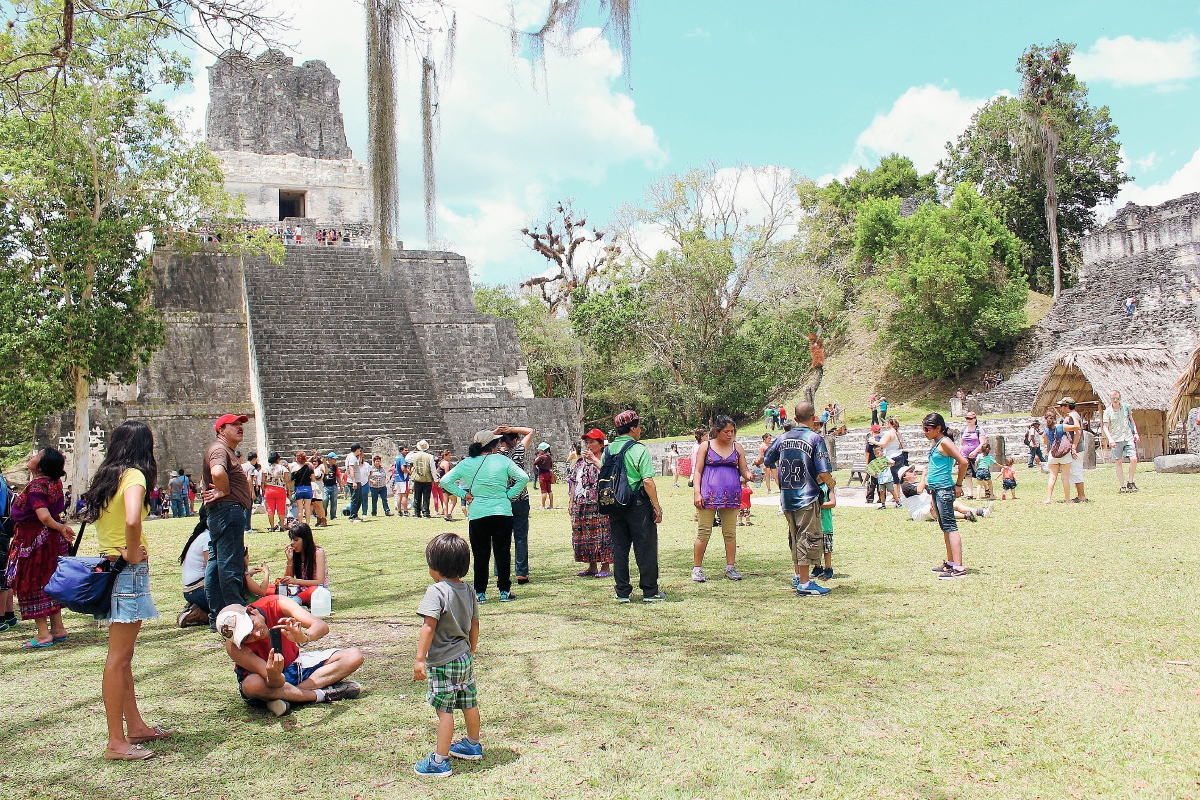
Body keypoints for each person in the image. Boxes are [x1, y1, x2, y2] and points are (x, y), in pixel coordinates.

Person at [81, 419, 171, 761]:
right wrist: (133, 552)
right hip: (127, 572)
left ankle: (134, 727)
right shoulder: (134, 476)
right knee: (118, 659)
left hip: (112, 568)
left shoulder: (108, 477)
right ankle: (116, 742)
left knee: (124, 657)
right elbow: (133, 520)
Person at [216, 595, 364, 718]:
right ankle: (321, 695)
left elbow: (321, 626)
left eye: (252, 626)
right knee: (251, 685)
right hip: (267, 681)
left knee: (353, 656)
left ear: (251, 611)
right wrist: (274, 675)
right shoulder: (234, 647)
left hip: (295, 665)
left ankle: (284, 698)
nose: (256, 634)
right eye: (247, 637)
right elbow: (274, 682)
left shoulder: (276, 603)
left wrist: (303, 637)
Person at [413, 533, 482, 777]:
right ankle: (473, 745)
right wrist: (471, 648)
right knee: (469, 702)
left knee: (445, 710)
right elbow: (474, 623)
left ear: (435, 566)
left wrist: (420, 658)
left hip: (442, 662)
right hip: (464, 658)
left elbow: (428, 626)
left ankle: (439, 761)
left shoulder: (436, 591)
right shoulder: (468, 589)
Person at [439, 430, 530, 603]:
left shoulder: (467, 463)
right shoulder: (503, 460)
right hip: (502, 511)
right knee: (502, 553)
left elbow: (444, 481)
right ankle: (504, 591)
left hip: (478, 513)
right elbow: (523, 478)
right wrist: (509, 495)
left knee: (480, 554)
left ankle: (480, 593)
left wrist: (463, 494)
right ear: (493, 445)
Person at [763, 402, 835, 597]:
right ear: (813, 418)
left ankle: (798, 576)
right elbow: (824, 470)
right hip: (807, 496)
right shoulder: (815, 438)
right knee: (807, 536)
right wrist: (831, 484)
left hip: (787, 497)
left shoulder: (783, 437)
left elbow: (768, 459)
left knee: (794, 537)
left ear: (795, 418)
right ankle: (805, 583)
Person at [4, 447, 72, 648]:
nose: (31, 457)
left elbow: (43, 516)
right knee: (51, 581)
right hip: (51, 540)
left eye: (36, 456)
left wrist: (60, 527)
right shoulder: (55, 483)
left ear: (41, 465)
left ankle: (43, 634)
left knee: (32, 583)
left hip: (34, 541)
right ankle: (58, 628)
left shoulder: (36, 487)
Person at [603, 411, 665, 603]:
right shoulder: (639, 449)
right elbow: (647, 481)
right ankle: (649, 591)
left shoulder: (608, 450)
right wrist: (657, 506)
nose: (640, 430)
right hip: (638, 503)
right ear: (632, 428)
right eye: (638, 426)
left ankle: (622, 592)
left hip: (614, 504)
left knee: (619, 549)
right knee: (645, 547)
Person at [202, 413, 255, 628]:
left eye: (241, 424)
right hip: (227, 511)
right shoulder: (219, 449)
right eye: (233, 424)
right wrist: (224, 490)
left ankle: (218, 615)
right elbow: (216, 472)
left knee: (216, 564)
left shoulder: (225, 450)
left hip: (223, 511)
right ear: (221, 430)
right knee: (230, 564)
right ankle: (236, 612)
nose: (239, 427)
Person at [691, 415, 753, 583]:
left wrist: (750, 475)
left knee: (730, 533)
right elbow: (697, 471)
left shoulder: (737, 448)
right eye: (726, 431)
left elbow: (744, 470)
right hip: (708, 496)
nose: (730, 434)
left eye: (732, 431)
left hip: (731, 497)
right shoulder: (706, 446)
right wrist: (697, 493)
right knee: (704, 532)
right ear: (717, 431)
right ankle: (697, 569)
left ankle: (730, 567)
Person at [918, 413, 970, 579]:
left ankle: (959, 568)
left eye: (927, 429)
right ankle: (951, 563)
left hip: (944, 490)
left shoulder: (945, 442)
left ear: (938, 428)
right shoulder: (937, 443)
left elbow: (963, 462)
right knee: (945, 527)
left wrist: (959, 484)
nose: (925, 432)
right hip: (936, 490)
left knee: (951, 527)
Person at [570, 429, 612, 578]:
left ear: (601, 444)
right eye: (586, 442)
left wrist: (594, 459)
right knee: (586, 535)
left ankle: (605, 567)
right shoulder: (580, 462)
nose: (588, 445)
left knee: (602, 534)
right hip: (581, 503)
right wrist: (571, 501)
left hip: (600, 503)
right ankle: (592, 566)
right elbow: (574, 481)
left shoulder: (606, 459)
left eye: (592, 442)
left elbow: (608, 474)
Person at [495, 425, 534, 584]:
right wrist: (510, 428)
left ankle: (499, 573)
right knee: (520, 538)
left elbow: (478, 440)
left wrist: (496, 433)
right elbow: (531, 431)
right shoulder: (518, 450)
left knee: (500, 539)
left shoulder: (495, 454)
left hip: (502, 500)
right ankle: (521, 573)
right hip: (520, 499)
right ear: (515, 440)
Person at [277, 523, 327, 605]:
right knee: (276, 587)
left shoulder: (318, 553)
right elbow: (288, 579)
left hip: (317, 591)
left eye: (296, 540)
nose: (292, 543)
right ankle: (293, 601)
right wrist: (290, 560)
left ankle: (292, 602)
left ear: (305, 539)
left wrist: (296, 581)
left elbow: (320, 582)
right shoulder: (295, 554)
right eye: (291, 540)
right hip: (301, 591)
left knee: (315, 589)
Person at [1103, 389, 1141, 493]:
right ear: (1110, 399)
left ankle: (1131, 481)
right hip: (1116, 438)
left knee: (1134, 459)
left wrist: (1135, 433)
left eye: (1117, 398)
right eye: (1113, 398)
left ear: (1120, 398)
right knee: (1118, 462)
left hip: (1127, 436)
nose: (1115, 400)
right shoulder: (1107, 412)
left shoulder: (1126, 408)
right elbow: (1105, 427)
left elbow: (1131, 421)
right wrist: (1110, 439)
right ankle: (1122, 485)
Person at [1059, 397, 1088, 503]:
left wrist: (1074, 447)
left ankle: (1081, 496)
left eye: (1062, 406)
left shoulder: (1072, 416)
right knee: (1074, 470)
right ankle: (1080, 495)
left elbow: (1077, 432)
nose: (1061, 408)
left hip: (1076, 447)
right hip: (1075, 447)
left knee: (1076, 471)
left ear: (1067, 406)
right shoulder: (1073, 416)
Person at [1043, 408, 1073, 504]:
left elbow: (1045, 442)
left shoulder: (1046, 430)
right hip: (1064, 453)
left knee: (1052, 477)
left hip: (1053, 454)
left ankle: (1048, 498)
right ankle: (1067, 498)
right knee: (1065, 478)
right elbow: (1075, 427)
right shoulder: (1061, 427)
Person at [959, 412, 987, 499]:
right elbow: (961, 444)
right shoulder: (963, 430)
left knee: (980, 474)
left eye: (970, 419)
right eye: (967, 418)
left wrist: (975, 452)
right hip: (965, 455)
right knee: (967, 475)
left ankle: (987, 489)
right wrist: (959, 455)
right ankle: (969, 494)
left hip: (977, 456)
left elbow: (982, 443)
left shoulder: (979, 430)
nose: (968, 420)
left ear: (975, 419)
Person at [409, 440, 439, 519]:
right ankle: (426, 512)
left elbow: (407, 458)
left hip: (417, 479)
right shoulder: (430, 457)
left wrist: (414, 450)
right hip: (427, 479)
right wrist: (435, 480)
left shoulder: (414, 456)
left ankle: (417, 512)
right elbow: (433, 469)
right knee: (426, 497)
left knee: (417, 497)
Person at [262, 453, 292, 532]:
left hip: (269, 489)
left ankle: (272, 526)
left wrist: (263, 490)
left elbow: (263, 481)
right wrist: (289, 491)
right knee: (281, 508)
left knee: (270, 509)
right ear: (278, 459)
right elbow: (287, 481)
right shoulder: (283, 468)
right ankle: (282, 526)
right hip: (280, 490)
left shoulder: (266, 469)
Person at [814, 481, 836, 581]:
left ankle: (828, 568)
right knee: (815, 547)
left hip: (825, 524)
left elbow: (832, 503)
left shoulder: (828, 486)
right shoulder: (811, 484)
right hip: (814, 524)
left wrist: (818, 505)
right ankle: (817, 567)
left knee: (827, 548)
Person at [345, 443, 368, 522]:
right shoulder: (352, 457)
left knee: (359, 499)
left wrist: (360, 457)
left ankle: (355, 514)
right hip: (353, 481)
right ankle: (352, 516)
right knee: (355, 499)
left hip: (357, 480)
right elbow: (351, 469)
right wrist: (354, 481)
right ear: (357, 449)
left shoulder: (354, 457)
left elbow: (357, 465)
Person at [291, 452, 314, 525]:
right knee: (307, 508)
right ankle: (307, 524)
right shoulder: (309, 468)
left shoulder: (294, 469)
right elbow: (313, 479)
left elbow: (291, 479)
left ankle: (300, 523)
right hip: (307, 488)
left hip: (298, 489)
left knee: (300, 508)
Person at [241, 452, 261, 532]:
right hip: (247, 490)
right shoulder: (251, 467)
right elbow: (249, 479)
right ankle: (247, 527)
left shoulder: (242, 465)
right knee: (248, 509)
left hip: (241, 490)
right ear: (254, 459)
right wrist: (252, 492)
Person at [438, 450, 459, 521]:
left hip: (442, 484)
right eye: (449, 455)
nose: (450, 457)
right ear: (445, 456)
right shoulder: (446, 463)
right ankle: (449, 514)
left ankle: (446, 514)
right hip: (447, 483)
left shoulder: (441, 463)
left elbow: (437, 472)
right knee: (454, 499)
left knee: (445, 500)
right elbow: (448, 474)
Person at [534, 443, 555, 510]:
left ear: (542, 450)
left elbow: (535, 463)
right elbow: (551, 466)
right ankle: (551, 505)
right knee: (549, 490)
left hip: (542, 475)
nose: (539, 451)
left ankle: (543, 505)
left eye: (539, 450)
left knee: (543, 490)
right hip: (548, 474)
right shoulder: (549, 457)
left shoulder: (541, 457)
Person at [322, 453, 340, 522]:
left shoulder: (335, 467)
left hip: (333, 486)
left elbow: (338, 475)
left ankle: (333, 516)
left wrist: (340, 484)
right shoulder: (323, 465)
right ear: (330, 459)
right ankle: (324, 514)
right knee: (325, 500)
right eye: (334, 459)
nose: (335, 460)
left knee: (334, 502)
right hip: (325, 486)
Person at [393, 448, 411, 517]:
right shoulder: (402, 458)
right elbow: (403, 469)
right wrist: (409, 472)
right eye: (405, 450)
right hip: (403, 479)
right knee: (404, 495)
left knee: (399, 495)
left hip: (397, 478)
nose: (407, 451)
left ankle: (399, 511)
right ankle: (406, 511)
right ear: (401, 451)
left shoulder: (396, 457)